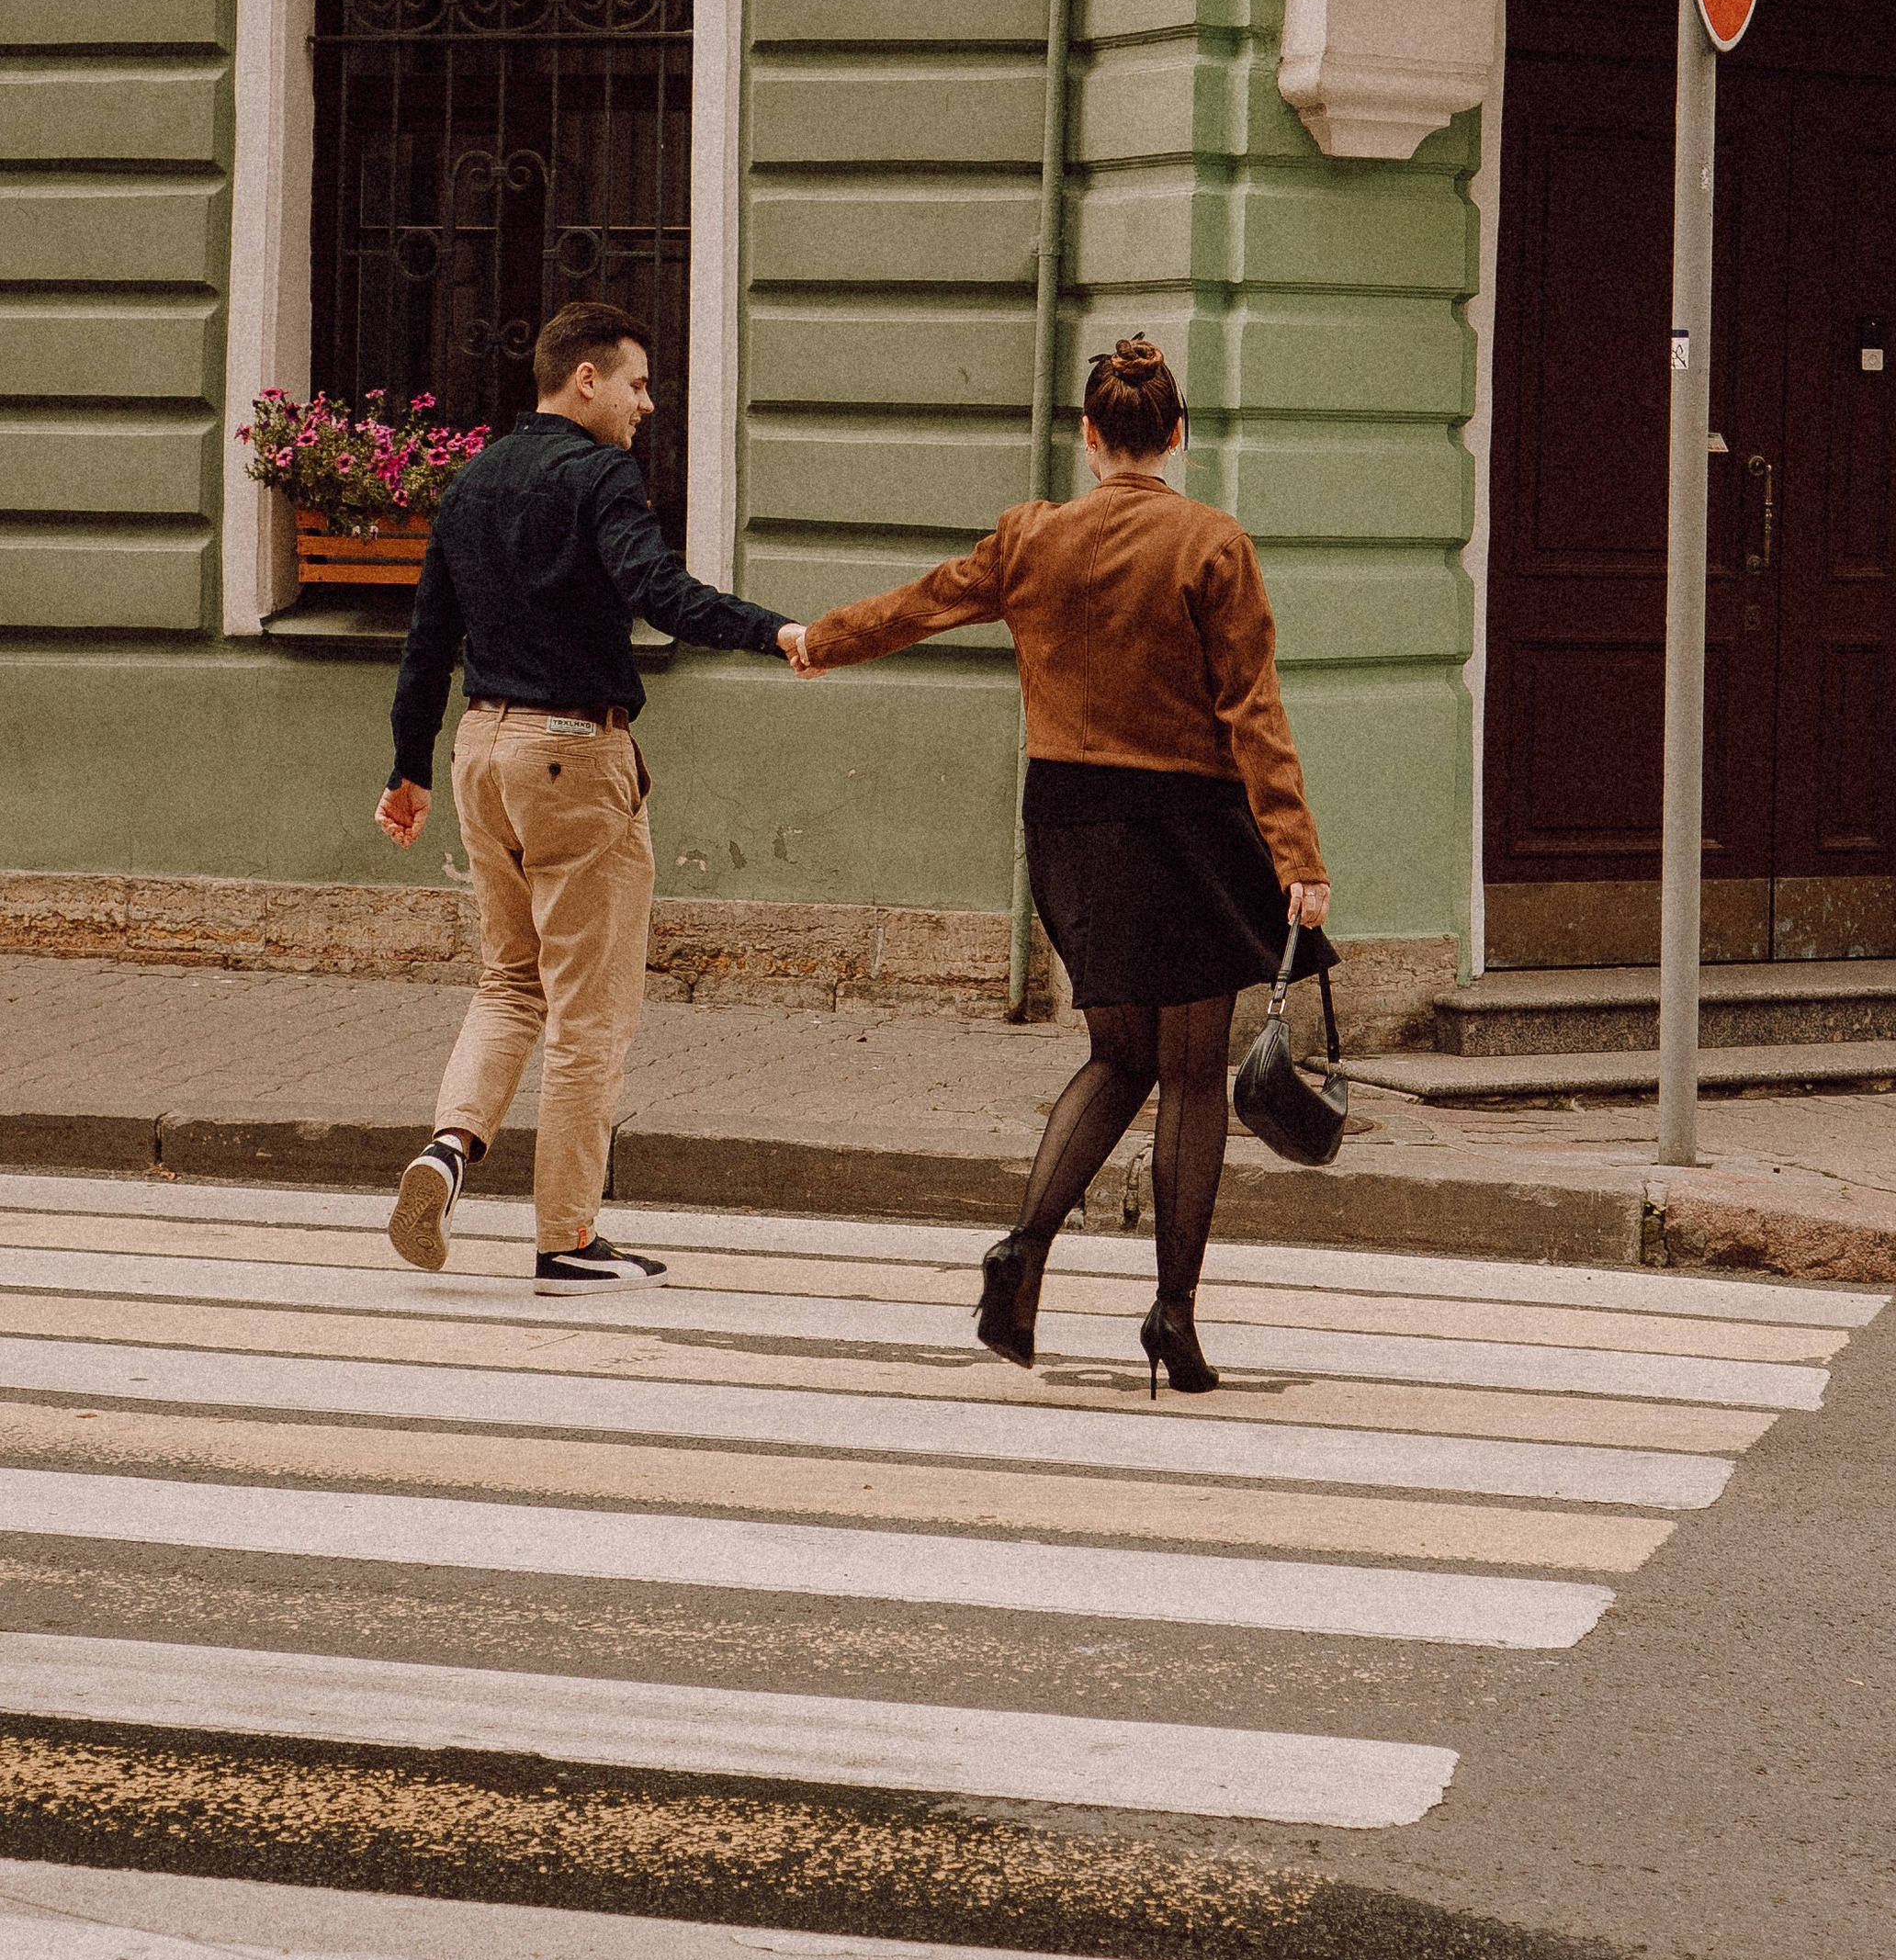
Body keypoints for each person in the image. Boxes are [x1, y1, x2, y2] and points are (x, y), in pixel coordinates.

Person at [784, 338, 1331, 1397]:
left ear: (1088, 439)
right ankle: (1172, 1314)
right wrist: (1296, 854)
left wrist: (820, 639)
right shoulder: (1212, 544)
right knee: (1187, 1073)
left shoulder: (1031, 537)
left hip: (1071, 819)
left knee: (1117, 1055)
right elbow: (1251, 712)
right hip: (1185, 819)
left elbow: (922, 602)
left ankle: (1020, 1256)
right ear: (1175, 435)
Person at [377, 301, 797, 1289]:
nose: (647, 406)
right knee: (587, 1012)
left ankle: (447, 1150)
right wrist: (774, 632)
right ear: (586, 380)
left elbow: (427, 638)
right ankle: (566, 1237)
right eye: (639, 384)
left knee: (507, 979)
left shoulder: (474, 478)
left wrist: (406, 769)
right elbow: (662, 593)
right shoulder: (600, 474)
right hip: (572, 754)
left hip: (481, 752)